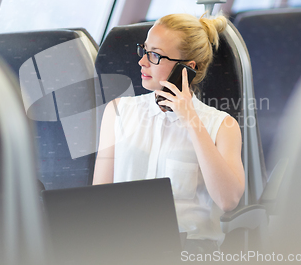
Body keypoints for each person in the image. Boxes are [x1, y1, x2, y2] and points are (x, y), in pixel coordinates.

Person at [93, 13, 245, 253]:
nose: (142, 62)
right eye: (144, 50)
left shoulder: (222, 126)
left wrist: (191, 120)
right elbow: (98, 202)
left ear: (187, 69)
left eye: (155, 55)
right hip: (125, 247)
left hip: (189, 251)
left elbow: (228, 200)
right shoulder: (117, 111)